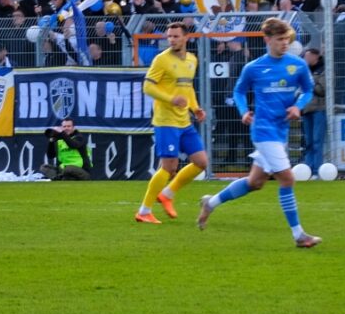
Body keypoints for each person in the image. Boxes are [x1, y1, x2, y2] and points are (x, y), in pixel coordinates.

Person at [197, 18, 320, 248]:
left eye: (287, 39)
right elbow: (239, 91)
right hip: (263, 130)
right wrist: (243, 111)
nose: (285, 43)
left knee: (255, 182)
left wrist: (298, 107)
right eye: (280, 39)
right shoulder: (253, 67)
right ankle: (299, 235)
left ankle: (210, 203)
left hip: (280, 131)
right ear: (267, 40)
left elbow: (308, 90)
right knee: (287, 178)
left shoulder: (297, 65)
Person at [136, 22, 208, 223]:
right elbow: (148, 87)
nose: (172, 40)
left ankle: (167, 194)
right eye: (169, 36)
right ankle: (143, 211)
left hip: (184, 121)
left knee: (201, 162)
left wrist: (196, 108)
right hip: (165, 120)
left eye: (176, 36)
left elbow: (188, 88)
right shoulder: (161, 60)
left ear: (186, 37)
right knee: (169, 166)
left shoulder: (192, 60)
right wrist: (171, 99)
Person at [299, 47, 326, 171]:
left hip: (318, 109)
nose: (305, 59)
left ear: (315, 57)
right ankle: (308, 169)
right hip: (306, 110)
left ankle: (317, 169)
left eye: (307, 56)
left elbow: (322, 90)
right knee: (308, 141)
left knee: (316, 141)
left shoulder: (324, 70)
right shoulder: (304, 71)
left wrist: (309, 83)